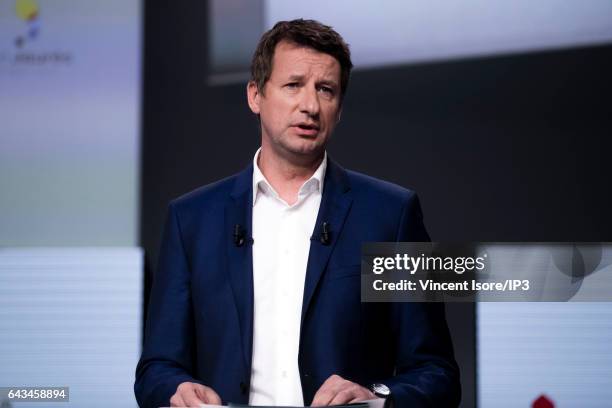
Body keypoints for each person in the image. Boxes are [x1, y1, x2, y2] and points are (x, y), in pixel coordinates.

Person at [135, 19, 460, 408]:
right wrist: (177, 390)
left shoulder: (392, 215)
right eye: (293, 86)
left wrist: (375, 396)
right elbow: (156, 369)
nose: (310, 105)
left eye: (326, 90)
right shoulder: (190, 220)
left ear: (339, 108)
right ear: (255, 95)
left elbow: (437, 374)